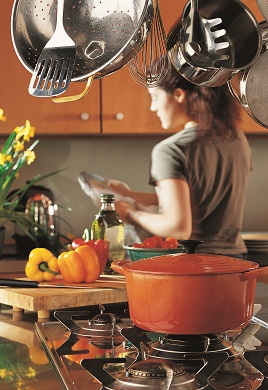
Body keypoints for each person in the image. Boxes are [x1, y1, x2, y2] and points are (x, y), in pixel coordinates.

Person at [108, 64, 252, 257]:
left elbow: (178, 227)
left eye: (155, 97)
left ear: (178, 95)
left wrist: (131, 215)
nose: (153, 107)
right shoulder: (236, 139)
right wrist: (130, 195)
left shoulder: (170, 150)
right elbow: (197, 198)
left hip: (196, 267)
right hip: (236, 263)